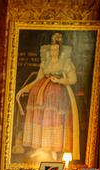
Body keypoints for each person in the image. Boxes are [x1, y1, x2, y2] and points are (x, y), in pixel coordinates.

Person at [15, 32, 80, 160]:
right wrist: (24, 89)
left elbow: (73, 79)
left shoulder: (65, 62)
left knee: (52, 114)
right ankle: (40, 147)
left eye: (56, 49)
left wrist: (59, 81)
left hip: (58, 94)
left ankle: (53, 148)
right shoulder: (46, 63)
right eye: (52, 49)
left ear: (60, 50)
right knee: (40, 114)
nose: (53, 51)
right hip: (41, 93)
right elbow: (37, 79)